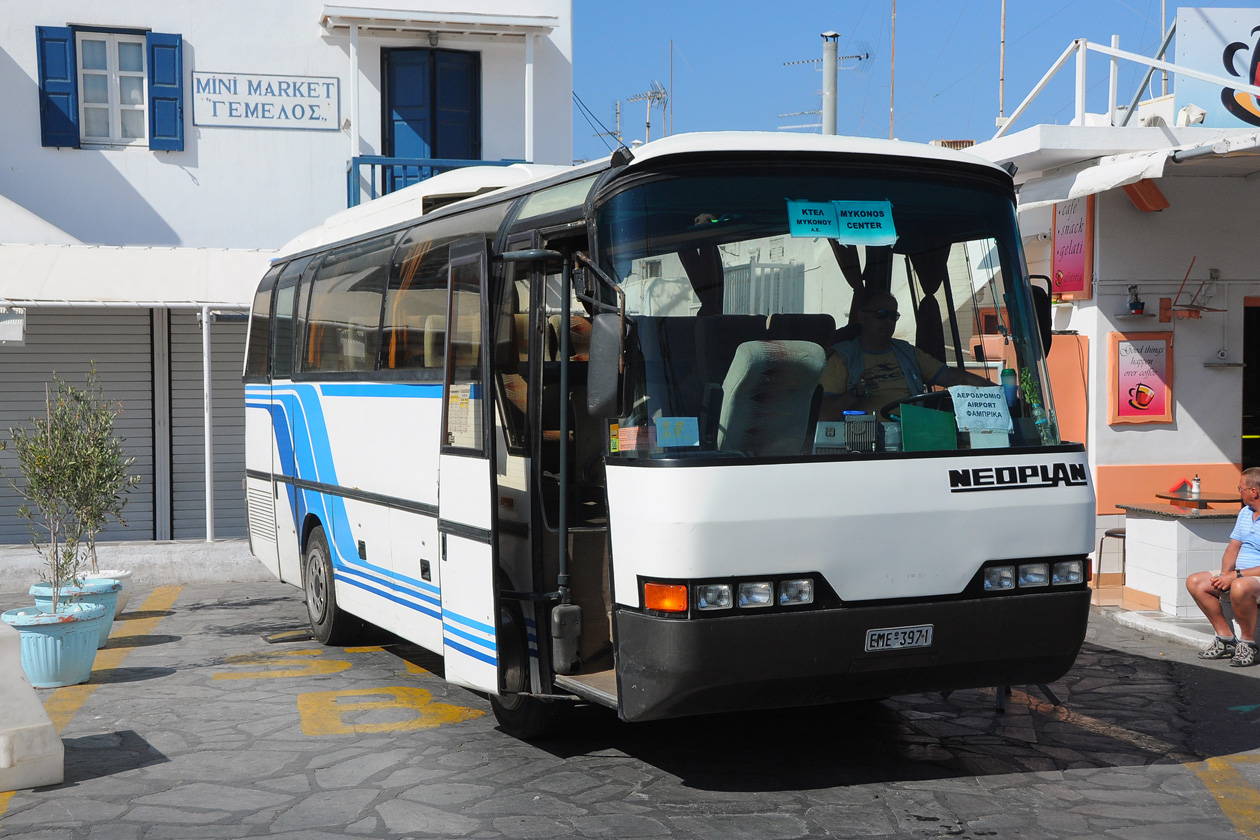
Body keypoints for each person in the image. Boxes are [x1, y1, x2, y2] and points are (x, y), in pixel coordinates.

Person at [819, 290, 994, 419]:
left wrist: (995, 392)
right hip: (864, 445)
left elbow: (953, 377)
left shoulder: (908, 352)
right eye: (881, 314)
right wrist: (856, 393)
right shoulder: (842, 358)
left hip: (913, 436)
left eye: (893, 316)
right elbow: (823, 414)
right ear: (862, 317)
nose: (888, 321)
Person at [1185, 467, 1260, 667]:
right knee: (1196, 582)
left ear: (1254, 492)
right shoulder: (1245, 513)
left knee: (1240, 586)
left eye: (1241, 488)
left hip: (1251, 578)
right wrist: (1225, 574)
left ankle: (1248, 644)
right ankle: (1226, 638)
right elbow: (1233, 548)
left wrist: (1236, 576)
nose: (1239, 492)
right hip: (1240, 575)